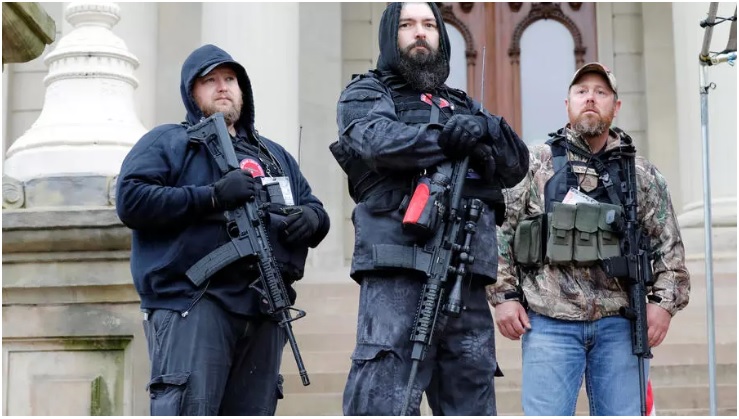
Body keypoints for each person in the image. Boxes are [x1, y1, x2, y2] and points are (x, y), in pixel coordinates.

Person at [330, 2, 530, 415]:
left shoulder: (465, 105)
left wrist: (486, 127)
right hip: (398, 269)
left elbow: (515, 164)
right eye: (407, 25)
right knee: (383, 398)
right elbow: (376, 140)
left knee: (471, 398)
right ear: (391, 34)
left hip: (464, 275)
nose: (420, 33)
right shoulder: (367, 92)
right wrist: (446, 136)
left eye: (429, 25)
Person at [116, 44, 330, 415]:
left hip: (264, 309)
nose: (222, 87)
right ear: (191, 92)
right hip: (194, 305)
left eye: (230, 79)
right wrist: (210, 197)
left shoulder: (273, 154)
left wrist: (313, 220)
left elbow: (313, 205)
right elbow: (132, 199)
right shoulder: (170, 141)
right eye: (210, 81)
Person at [489, 62, 690, 415]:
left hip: (620, 325)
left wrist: (663, 305)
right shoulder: (536, 162)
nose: (591, 99)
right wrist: (504, 296)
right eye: (581, 92)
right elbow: (497, 232)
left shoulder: (641, 174)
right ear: (567, 104)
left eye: (601, 92)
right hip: (549, 323)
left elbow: (669, 249)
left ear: (616, 105)